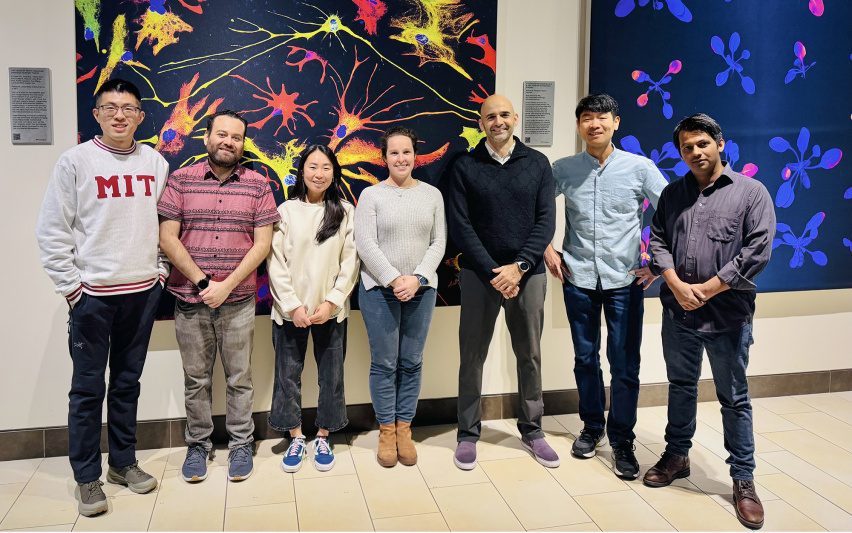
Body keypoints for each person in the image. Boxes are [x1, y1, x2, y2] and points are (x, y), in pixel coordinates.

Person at [35, 79, 168, 516]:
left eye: (128, 108)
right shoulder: (76, 161)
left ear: (140, 115)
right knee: (88, 390)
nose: (119, 115)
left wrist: (160, 276)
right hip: (93, 297)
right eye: (110, 107)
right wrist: (74, 291)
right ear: (96, 114)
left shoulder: (154, 161)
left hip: (142, 294)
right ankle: (87, 477)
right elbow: (52, 231)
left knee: (127, 384)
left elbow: (165, 227)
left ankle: (123, 463)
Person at [643, 113, 774, 530]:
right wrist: (677, 285)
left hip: (728, 315)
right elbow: (658, 238)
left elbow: (757, 251)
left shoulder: (751, 193)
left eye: (702, 144)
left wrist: (711, 288)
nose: (695, 152)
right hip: (677, 311)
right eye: (687, 147)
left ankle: (743, 480)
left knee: (734, 398)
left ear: (720, 143)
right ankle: (677, 456)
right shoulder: (672, 193)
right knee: (681, 387)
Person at [544, 94, 667, 479]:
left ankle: (622, 439)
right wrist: (547, 248)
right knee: (585, 358)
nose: (593, 124)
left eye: (601, 118)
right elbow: (535, 210)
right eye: (586, 118)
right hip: (578, 277)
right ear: (578, 125)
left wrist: (658, 263)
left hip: (625, 280)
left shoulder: (640, 168)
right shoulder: (563, 168)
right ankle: (592, 426)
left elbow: (673, 212)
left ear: (616, 122)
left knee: (625, 364)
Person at [158, 109, 280, 484]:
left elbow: (263, 245)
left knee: (240, 377)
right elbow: (167, 237)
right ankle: (198, 445)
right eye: (222, 134)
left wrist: (226, 286)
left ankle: (242, 443)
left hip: (240, 301)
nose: (229, 142)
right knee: (196, 379)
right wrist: (202, 282)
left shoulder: (258, 185)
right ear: (207, 137)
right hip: (189, 301)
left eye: (237, 137)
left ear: (244, 144)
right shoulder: (180, 180)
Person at [448, 94, 558, 470]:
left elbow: (546, 221)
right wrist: (495, 271)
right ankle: (467, 432)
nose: (498, 121)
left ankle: (532, 430)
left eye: (504, 115)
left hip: (528, 276)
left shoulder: (539, 164)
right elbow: (460, 226)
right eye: (490, 116)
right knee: (472, 356)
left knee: (529, 354)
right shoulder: (465, 165)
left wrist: (519, 267)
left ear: (516, 118)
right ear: (481, 123)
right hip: (480, 276)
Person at [355, 126, 446, 467]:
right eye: (394, 152)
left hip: (422, 291)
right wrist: (395, 280)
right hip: (379, 291)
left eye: (406, 152)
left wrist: (418, 278)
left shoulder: (432, 195)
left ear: (415, 154)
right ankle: (386, 431)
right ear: (384, 157)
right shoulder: (371, 195)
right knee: (385, 363)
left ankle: (405, 428)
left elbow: (439, 241)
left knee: (411, 361)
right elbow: (365, 245)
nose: (401, 158)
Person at [267, 145, 359, 473]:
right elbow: (274, 262)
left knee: (331, 376)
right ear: (301, 171)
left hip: (330, 312)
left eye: (325, 167)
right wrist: (292, 306)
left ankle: (322, 434)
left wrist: (332, 301)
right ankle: (295, 435)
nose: (318, 173)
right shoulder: (286, 211)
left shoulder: (346, 211)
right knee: (287, 376)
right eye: (312, 167)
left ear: (334, 172)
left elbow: (351, 262)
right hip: (290, 312)